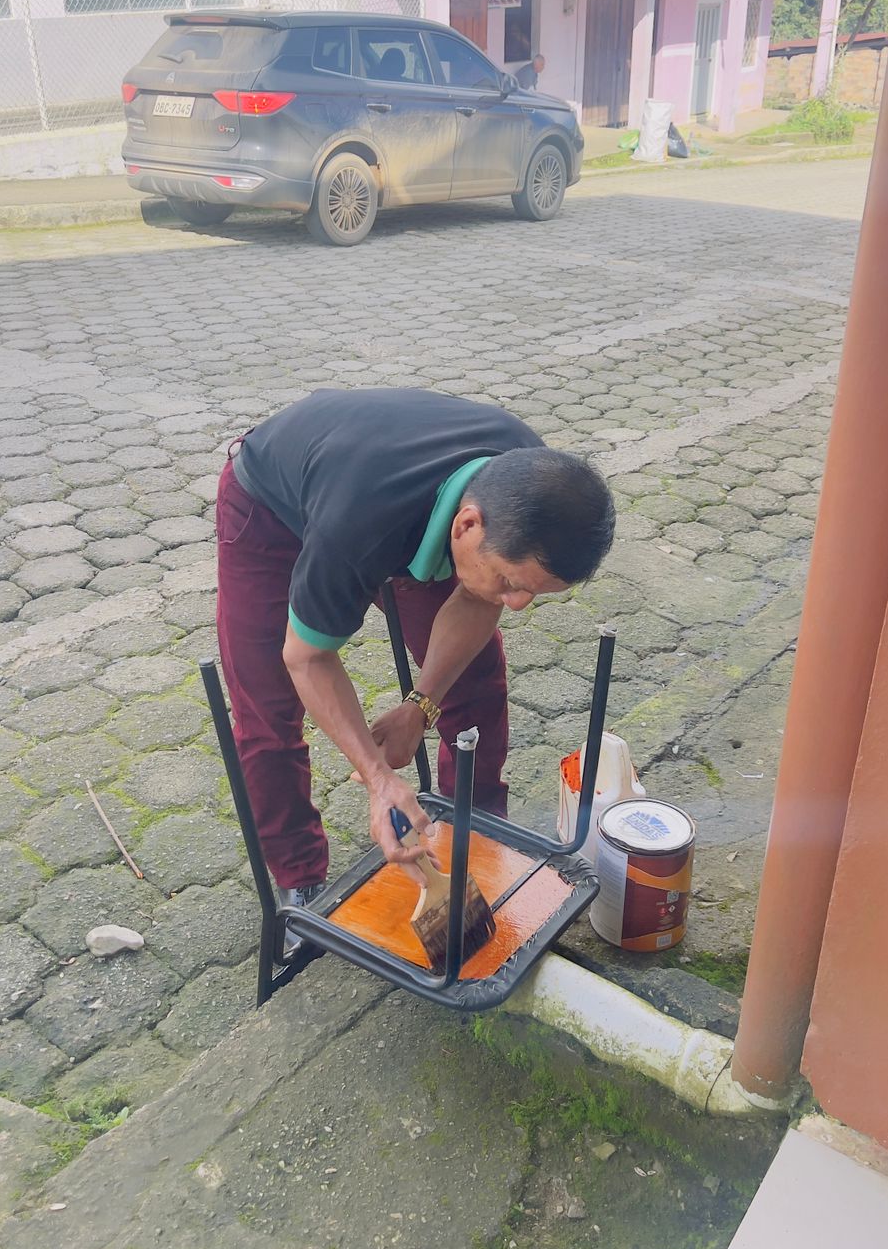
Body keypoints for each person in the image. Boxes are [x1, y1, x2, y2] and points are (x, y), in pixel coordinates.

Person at [215, 387, 615, 917]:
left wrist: (420, 706)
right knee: (267, 708)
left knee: (473, 678)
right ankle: (299, 878)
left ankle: (479, 839)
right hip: (273, 504)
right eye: (510, 583)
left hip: (387, 493)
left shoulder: (532, 486)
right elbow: (307, 658)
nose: (517, 604)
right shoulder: (358, 525)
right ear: (466, 525)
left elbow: (478, 601)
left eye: (534, 593)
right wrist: (379, 781)